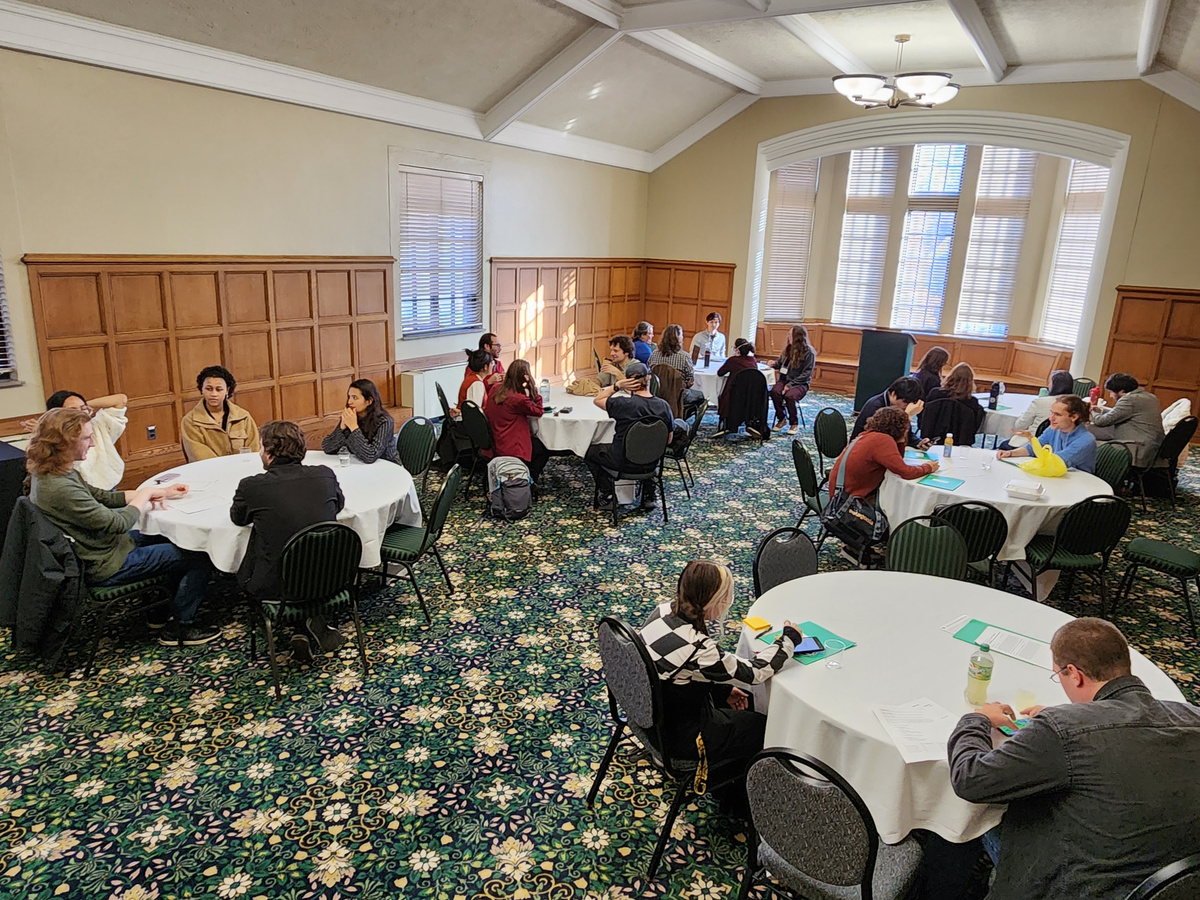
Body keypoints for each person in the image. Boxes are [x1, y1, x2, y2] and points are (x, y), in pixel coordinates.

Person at [948, 617, 1200, 900]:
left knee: (975, 820)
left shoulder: (1062, 728)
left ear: (1074, 674)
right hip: (1169, 882)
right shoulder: (1192, 716)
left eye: (1059, 676)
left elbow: (970, 779)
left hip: (1077, 885)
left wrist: (976, 720)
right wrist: (1074, 718)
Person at [27, 408, 217, 646]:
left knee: (170, 536)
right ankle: (181, 626)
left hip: (105, 548)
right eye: (87, 438)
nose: (93, 443)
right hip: (106, 563)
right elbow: (116, 523)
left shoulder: (53, 472)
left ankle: (159, 609)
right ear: (64, 442)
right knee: (199, 552)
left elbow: (101, 497)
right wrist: (145, 494)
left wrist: (160, 492)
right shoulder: (60, 488)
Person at [639, 560, 802, 815]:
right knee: (763, 728)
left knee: (740, 708)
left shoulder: (660, 613)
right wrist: (789, 640)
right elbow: (754, 671)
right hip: (684, 736)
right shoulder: (700, 648)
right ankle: (738, 804)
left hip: (655, 718)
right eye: (725, 596)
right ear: (711, 602)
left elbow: (676, 671)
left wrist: (722, 691)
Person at [232, 420, 345, 658]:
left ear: (269, 452)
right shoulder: (325, 475)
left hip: (277, 586)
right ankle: (309, 621)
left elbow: (238, 518)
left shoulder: (252, 486)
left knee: (265, 544)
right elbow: (339, 505)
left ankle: (298, 623)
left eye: (261, 448)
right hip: (331, 577)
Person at [585, 362, 674, 511]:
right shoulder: (664, 406)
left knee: (589, 452)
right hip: (652, 463)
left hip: (622, 462)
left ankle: (607, 495)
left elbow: (598, 399)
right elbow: (668, 440)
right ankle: (649, 496)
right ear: (649, 378)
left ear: (628, 383)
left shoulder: (623, 404)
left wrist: (617, 385)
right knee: (648, 447)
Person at [24, 389, 129, 490]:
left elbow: (120, 400)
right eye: (72, 411)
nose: (81, 414)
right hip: (77, 490)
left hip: (107, 488)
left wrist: (82, 405)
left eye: (83, 409)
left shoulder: (97, 425)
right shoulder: (56, 441)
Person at [828, 407, 938, 500]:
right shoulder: (883, 441)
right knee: (897, 499)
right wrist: (928, 467)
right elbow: (906, 472)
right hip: (849, 500)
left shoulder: (867, 435)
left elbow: (897, 460)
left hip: (840, 492)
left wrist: (901, 440)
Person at [484, 360, 550, 483]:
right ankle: (529, 479)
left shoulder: (495, 388)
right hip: (512, 445)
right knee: (543, 450)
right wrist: (532, 388)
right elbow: (539, 411)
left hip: (495, 439)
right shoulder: (518, 399)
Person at [996, 394, 1097, 473]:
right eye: (1051, 413)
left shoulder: (1086, 441)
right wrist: (1010, 453)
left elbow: (1055, 461)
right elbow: (1033, 449)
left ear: (1074, 417)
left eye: (1057, 414)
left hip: (1077, 485)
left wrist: (1031, 438)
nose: (1051, 418)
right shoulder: (1054, 429)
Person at [181, 365, 260, 461]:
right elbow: (200, 457)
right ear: (202, 389)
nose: (213, 394)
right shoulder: (190, 421)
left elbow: (253, 451)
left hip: (242, 470)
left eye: (219, 389)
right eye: (209, 389)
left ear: (227, 390)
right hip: (209, 473)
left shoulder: (243, 417)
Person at [1089, 372, 1165, 468]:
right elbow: (1124, 413)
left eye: (1112, 392)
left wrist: (1092, 411)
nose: (1111, 396)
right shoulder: (1150, 397)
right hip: (1152, 446)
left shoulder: (1129, 400)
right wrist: (1102, 410)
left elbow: (1102, 422)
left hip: (1137, 448)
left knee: (1091, 442)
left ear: (1121, 391)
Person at [321, 378, 397, 464]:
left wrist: (354, 428)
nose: (350, 402)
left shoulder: (385, 421)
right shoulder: (351, 417)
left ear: (369, 401)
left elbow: (370, 456)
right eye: (349, 397)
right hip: (359, 465)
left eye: (355, 398)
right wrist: (341, 428)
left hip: (387, 467)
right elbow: (327, 448)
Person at [1000, 369, 1075, 450]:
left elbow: (1019, 426)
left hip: (1031, 442)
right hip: (1060, 445)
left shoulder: (1040, 402)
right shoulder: (1076, 404)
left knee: (1003, 445)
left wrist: (1022, 415)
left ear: (1054, 385)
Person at [850, 376, 929, 449]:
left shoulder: (898, 407)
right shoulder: (876, 407)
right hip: (863, 449)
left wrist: (918, 442)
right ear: (893, 394)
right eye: (905, 402)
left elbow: (908, 435)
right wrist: (905, 416)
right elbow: (886, 439)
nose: (907, 406)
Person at [766, 324, 816, 436]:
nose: (789, 338)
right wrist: (774, 364)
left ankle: (794, 423)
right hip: (784, 380)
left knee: (790, 396)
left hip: (800, 384)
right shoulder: (788, 349)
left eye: (791, 335)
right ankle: (781, 418)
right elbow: (781, 364)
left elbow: (806, 374)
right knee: (774, 392)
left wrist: (791, 385)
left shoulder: (809, 353)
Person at [922, 362, 985, 446]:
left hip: (932, 438)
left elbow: (925, 415)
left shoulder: (935, 393)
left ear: (951, 376)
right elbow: (973, 427)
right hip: (959, 441)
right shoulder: (971, 402)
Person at [649, 324, 705, 416]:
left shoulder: (654, 355)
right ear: (679, 338)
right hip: (678, 395)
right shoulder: (684, 356)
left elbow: (650, 374)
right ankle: (683, 415)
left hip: (657, 393)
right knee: (700, 395)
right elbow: (690, 381)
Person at [714, 340, 759, 433]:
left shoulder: (733, 360)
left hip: (733, 395)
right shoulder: (753, 360)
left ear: (737, 350)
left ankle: (729, 424)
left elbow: (720, 373)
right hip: (749, 396)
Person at [455, 348, 498, 414]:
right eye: (491, 363)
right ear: (485, 367)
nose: (493, 365)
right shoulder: (477, 384)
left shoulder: (471, 377)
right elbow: (475, 413)